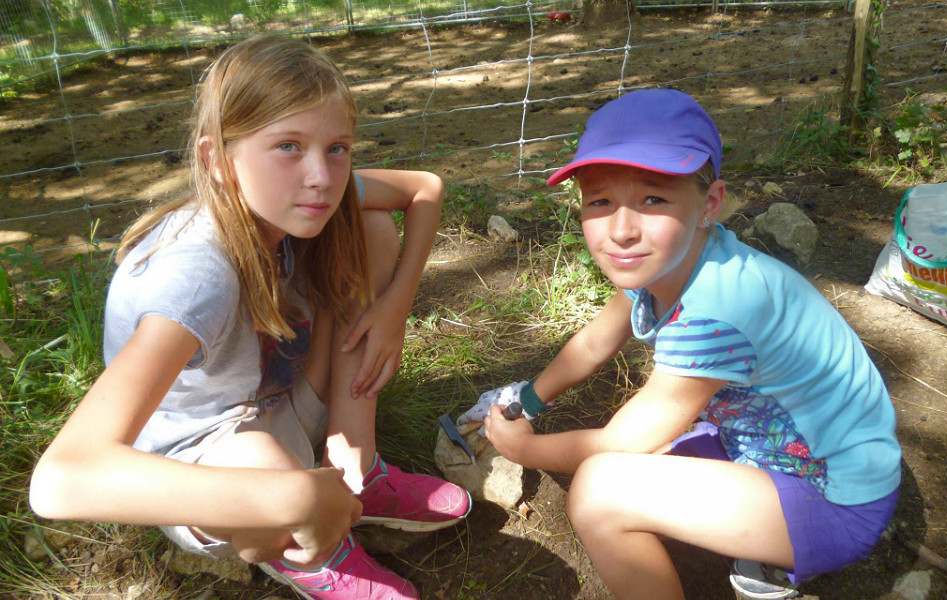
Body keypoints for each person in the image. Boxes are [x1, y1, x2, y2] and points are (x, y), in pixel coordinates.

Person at [30, 34, 471, 600]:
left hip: (278, 396)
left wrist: (394, 310)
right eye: (288, 145)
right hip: (210, 461)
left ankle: (355, 470)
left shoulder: (301, 194)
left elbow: (425, 190)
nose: (321, 175)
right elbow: (62, 479)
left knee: (370, 226)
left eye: (337, 147)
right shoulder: (195, 275)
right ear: (217, 159)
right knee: (265, 466)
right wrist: (296, 499)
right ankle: (315, 551)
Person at [458, 89, 901, 600]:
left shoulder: (718, 308)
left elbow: (621, 442)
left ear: (709, 203)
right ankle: (759, 546)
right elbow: (597, 339)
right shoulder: (677, 258)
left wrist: (528, 450)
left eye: (654, 199)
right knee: (661, 446)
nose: (622, 230)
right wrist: (530, 398)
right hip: (782, 451)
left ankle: (776, 554)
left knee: (600, 491)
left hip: (835, 501)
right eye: (600, 201)